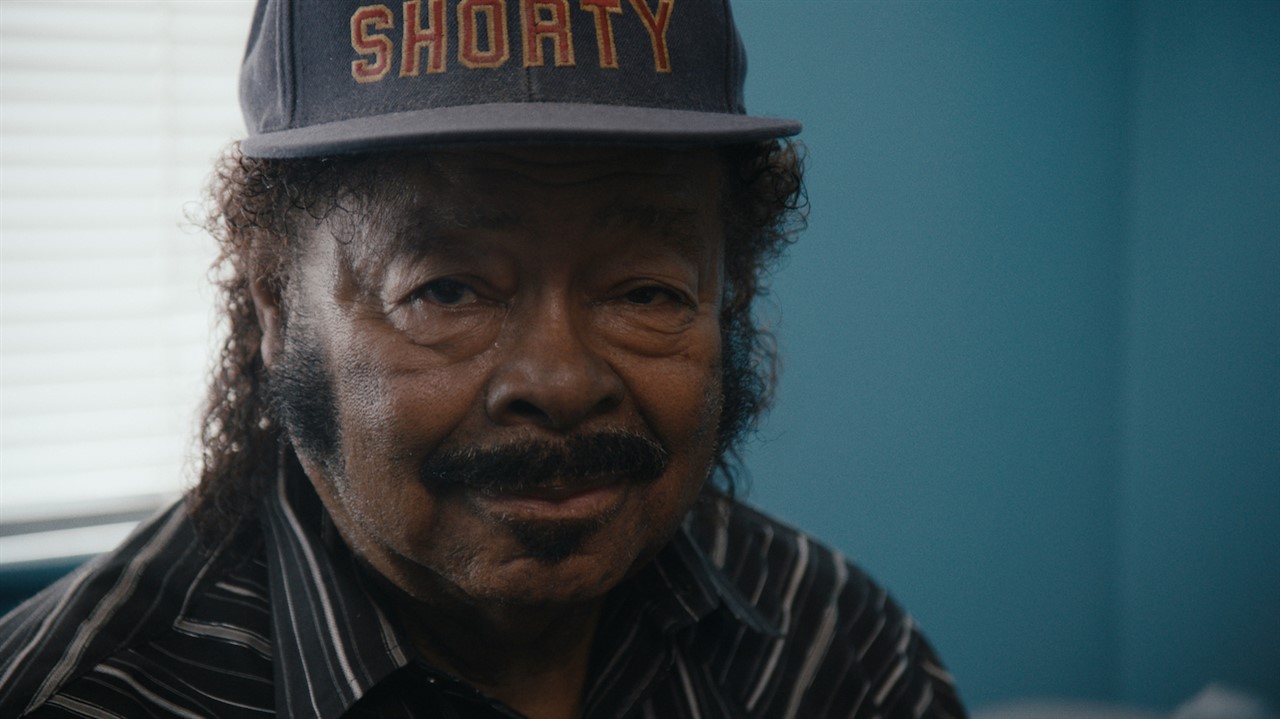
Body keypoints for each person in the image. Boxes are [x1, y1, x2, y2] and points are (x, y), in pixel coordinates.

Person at [0, 2, 966, 717]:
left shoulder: (836, 653)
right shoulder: (85, 700)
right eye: (446, 290)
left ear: (731, 296)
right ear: (275, 307)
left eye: (644, 291)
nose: (558, 380)